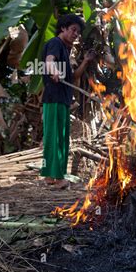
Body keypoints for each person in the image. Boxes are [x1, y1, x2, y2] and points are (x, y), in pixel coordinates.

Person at [40, 14, 95, 189]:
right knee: (57, 138)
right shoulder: (55, 44)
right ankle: (58, 177)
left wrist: (85, 61)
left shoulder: (65, 49)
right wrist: (53, 71)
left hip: (61, 100)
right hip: (54, 99)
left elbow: (73, 78)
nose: (75, 34)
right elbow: (49, 61)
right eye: (73, 30)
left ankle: (50, 176)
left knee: (57, 137)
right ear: (63, 28)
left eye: (78, 32)